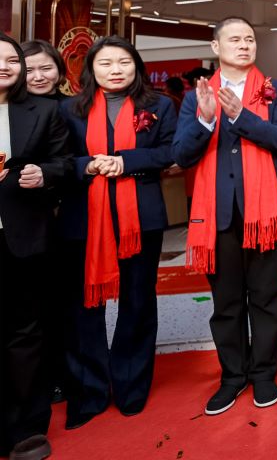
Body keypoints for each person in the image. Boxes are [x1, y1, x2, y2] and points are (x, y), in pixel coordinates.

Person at [172, 17, 277, 415]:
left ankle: (263, 374)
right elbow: (181, 154)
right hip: (219, 214)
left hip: (269, 213)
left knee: (266, 298)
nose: (244, 45)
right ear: (216, 47)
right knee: (226, 302)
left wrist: (242, 115)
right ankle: (232, 377)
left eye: (249, 39)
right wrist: (207, 120)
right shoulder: (197, 96)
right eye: (234, 39)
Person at [58, 36, 178, 428]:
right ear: (90, 69)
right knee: (84, 309)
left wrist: (125, 162)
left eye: (124, 62)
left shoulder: (158, 105)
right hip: (83, 220)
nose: (115, 70)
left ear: (136, 66)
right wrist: (87, 166)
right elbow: (59, 159)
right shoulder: (68, 109)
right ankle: (89, 392)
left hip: (139, 219)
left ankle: (131, 387)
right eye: (105, 63)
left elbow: (170, 151)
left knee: (137, 303)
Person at [0, 33, 73, 460]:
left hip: (23, 235)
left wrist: (44, 175)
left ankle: (25, 429)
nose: (4, 66)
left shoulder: (44, 111)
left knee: (24, 332)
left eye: (12, 59)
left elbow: (63, 163)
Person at [20, 40, 72, 405]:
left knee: (59, 303)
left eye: (46, 68)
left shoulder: (73, 108)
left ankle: (60, 375)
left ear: (60, 70)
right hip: (23, 219)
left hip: (64, 217)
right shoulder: (12, 111)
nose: (38, 76)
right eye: (30, 69)